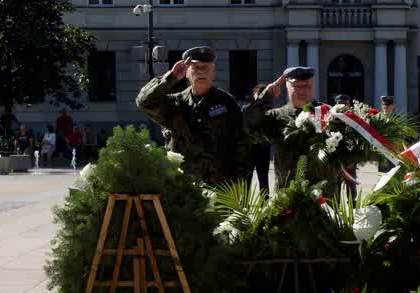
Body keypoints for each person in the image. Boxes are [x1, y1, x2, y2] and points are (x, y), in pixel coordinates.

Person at [136, 45, 256, 188]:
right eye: (196, 67)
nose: (201, 72)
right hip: (182, 187)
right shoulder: (175, 103)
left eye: (205, 67)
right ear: (186, 73)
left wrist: (240, 187)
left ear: (213, 73)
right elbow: (144, 101)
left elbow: (242, 147)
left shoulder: (227, 103)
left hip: (219, 186)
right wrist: (171, 77)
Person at [246, 66, 345, 195]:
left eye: (308, 86)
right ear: (287, 88)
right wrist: (266, 97)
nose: (303, 91)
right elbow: (249, 127)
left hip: (325, 195)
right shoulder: (276, 117)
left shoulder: (330, 114)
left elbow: (347, 151)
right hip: (288, 195)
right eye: (297, 87)